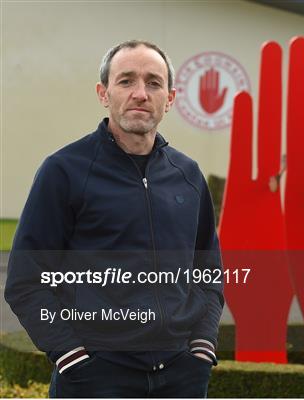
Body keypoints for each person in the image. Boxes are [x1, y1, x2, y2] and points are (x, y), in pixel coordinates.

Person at [5, 40, 224, 398]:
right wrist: (71, 356)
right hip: (94, 378)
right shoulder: (64, 171)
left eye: (153, 83)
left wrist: (201, 348)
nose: (140, 93)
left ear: (169, 98)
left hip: (181, 377)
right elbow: (26, 282)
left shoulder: (188, 175)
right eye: (126, 81)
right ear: (103, 93)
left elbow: (208, 274)